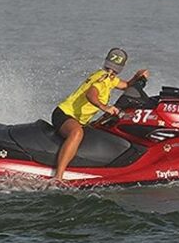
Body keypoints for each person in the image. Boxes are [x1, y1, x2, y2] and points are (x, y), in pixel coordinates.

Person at [51, 48, 149, 182]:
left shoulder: (110, 79)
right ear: (106, 64)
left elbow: (125, 85)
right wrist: (105, 107)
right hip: (64, 114)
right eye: (110, 68)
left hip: (76, 119)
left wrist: (138, 77)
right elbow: (91, 94)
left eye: (114, 70)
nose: (111, 71)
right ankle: (58, 177)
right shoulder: (103, 78)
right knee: (77, 133)